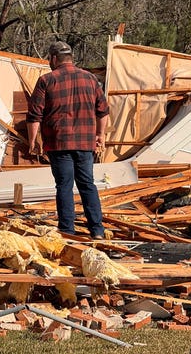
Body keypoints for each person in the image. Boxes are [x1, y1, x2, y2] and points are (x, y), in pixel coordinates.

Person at [26, 41, 109, 239]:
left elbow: (34, 115)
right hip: (85, 143)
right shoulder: (90, 79)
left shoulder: (47, 80)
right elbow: (103, 110)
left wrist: (32, 141)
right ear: (71, 57)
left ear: (54, 59)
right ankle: (97, 230)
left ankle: (67, 231)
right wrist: (101, 134)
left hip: (58, 143)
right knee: (87, 184)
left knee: (64, 186)